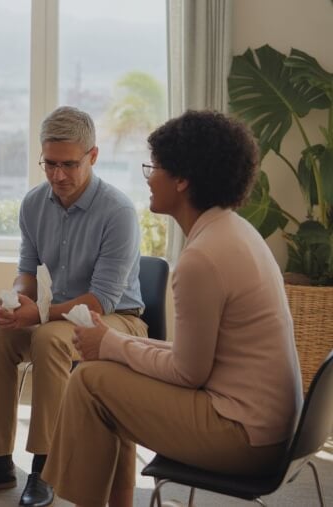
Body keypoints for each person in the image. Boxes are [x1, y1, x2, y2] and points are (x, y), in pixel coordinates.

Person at [42, 110, 303, 507]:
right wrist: (112, 344)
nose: (149, 178)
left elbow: (187, 372)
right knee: (107, 372)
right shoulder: (234, 231)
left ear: (182, 179)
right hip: (268, 428)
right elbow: (195, 360)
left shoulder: (202, 260)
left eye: (155, 167)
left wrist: (111, 344)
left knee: (89, 382)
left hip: (244, 437)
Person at [0, 106, 147, 507]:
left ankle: (44, 467)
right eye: (49, 164)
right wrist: (17, 298)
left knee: (51, 338)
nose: (58, 176)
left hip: (119, 320)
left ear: (93, 156)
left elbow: (101, 300)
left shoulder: (118, 212)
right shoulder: (34, 204)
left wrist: (37, 313)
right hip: (62, 313)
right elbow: (26, 272)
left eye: (69, 164)